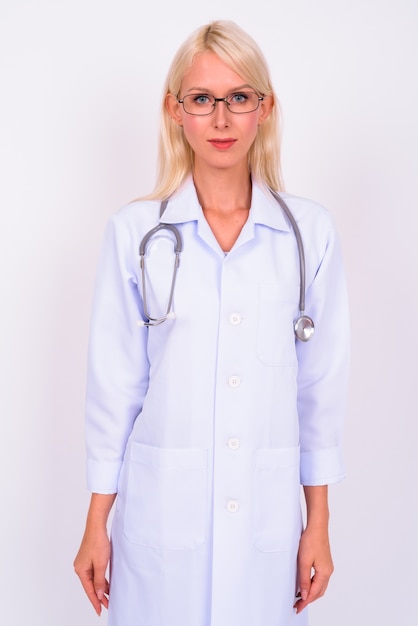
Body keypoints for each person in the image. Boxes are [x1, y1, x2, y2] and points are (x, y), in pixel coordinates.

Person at [74, 19, 349, 626]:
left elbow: (318, 392)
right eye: (201, 99)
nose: (221, 119)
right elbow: (115, 385)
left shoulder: (309, 235)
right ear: (175, 110)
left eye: (239, 98)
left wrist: (318, 525)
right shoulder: (135, 233)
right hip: (159, 522)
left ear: (265, 108)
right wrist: (96, 522)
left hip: (266, 523)